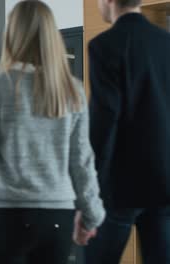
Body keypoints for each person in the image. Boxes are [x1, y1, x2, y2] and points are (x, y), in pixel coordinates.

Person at [0, 1, 105, 263]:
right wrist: (91, 216)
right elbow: (82, 161)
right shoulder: (72, 90)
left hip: (5, 217)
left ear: (12, 35)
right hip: (57, 218)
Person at [85, 0, 170, 263]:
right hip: (165, 179)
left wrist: (91, 186)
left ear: (109, 1)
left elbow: (105, 120)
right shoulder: (165, 43)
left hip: (119, 185)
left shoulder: (104, 45)